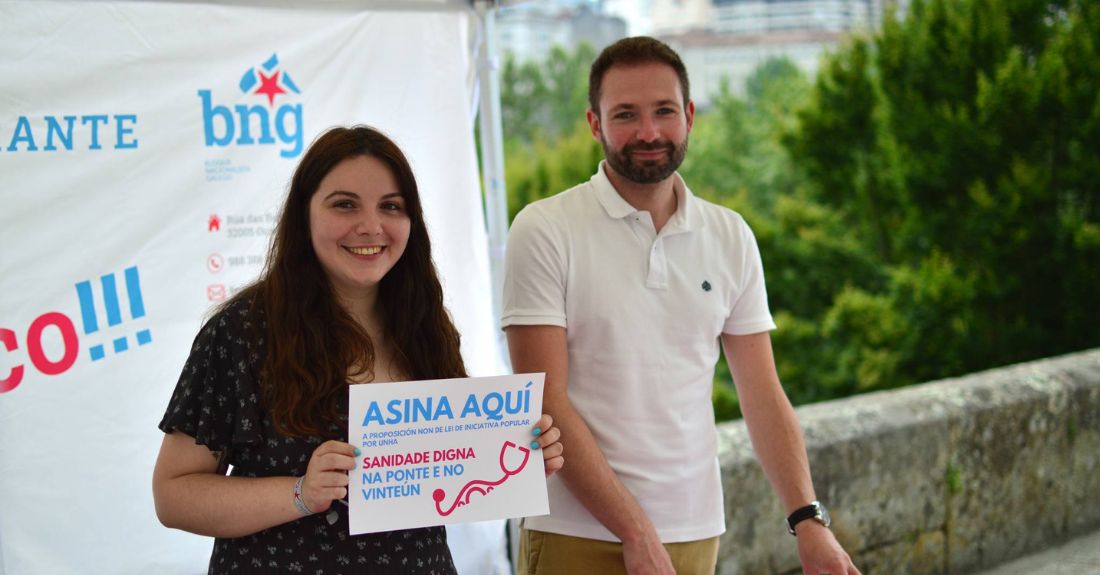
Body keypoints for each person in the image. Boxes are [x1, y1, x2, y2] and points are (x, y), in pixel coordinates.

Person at [502, 37, 859, 575]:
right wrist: (635, 530)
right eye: (625, 114)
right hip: (575, 531)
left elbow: (762, 394)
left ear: (689, 115)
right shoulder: (545, 228)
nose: (648, 132)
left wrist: (808, 520)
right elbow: (542, 402)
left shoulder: (730, 234)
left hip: (695, 532)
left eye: (664, 111)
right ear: (595, 124)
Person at [152, 125, 564, 575]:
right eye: (345, 204)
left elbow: (447, 474)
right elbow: (174, 495)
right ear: (303, 214)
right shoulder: (242, 332)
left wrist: (517, 459)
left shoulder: (426, 325)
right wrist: (300, 494)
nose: (370, 226)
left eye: (391, 206)